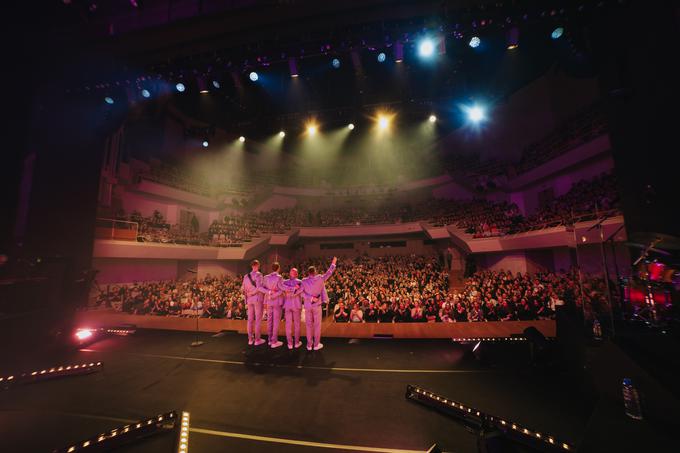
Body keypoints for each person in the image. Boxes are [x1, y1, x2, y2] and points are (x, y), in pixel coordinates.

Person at [300, 256, 337, 351]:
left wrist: (310, 297)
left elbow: (302, 293)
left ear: (308, 272)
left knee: (308, 326)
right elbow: (329, 273)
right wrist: (333, 263)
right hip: (317, 306)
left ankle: (309, 345)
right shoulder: (320, 278)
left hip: (307, 306)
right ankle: (316, 345)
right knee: (317, 326)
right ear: (315, 272)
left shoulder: (303, 281)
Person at [260, 262, 285, 348]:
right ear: (278, 268)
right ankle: (274, 341)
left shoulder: (266, 277)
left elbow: (260, 288)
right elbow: (282, 290)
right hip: (277, 302)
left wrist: (269, 292)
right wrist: (274, 294)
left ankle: (270, 340)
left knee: (269, 321)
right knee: (276, 322)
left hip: (268, 301)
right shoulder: (279, 277)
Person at [241, 259, 266, 346]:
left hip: (249, 300)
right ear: (258, 265)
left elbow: (243, 289)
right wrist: (253, 292)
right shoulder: (259, 275)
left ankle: (250, 339)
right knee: (258, 320)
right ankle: (257, 340)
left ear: (251, 266)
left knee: (250, 320)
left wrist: (247, 298)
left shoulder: (245, 276)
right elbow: (259, 288)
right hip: (257, 299)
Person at [279, 266, 304, 349]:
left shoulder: (285, 282)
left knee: (288, 325)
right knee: (297, 325)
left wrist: (288, 290)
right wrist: (294, 289)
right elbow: (301, 291)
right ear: (296, 274)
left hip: (287, 305)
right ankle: (296, 343)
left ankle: (290, 344)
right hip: (296, 305)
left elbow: (282, 288)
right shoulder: (300, 282)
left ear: (290, 274)